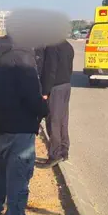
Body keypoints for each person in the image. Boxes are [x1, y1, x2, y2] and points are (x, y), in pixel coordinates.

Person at [0, 35, 50, 215]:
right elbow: (32, 96)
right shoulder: (23, 57)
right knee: (19, 178)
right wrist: (45, 110)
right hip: (19, 127)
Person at [39, 39, 75, 167]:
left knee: (53, 121)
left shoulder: (52, 46)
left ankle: (55, 154)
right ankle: (64, 150)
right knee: (62, 120)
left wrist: (45, 91)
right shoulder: (67, 45)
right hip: (66, 85)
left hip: (55, 87)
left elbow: (50, 70)